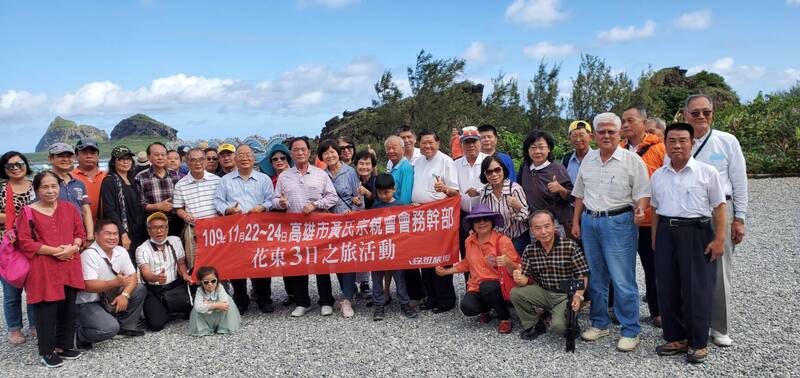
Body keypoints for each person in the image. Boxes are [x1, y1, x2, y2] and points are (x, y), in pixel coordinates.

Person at [570, 112, 651, 352]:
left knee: (622, 278)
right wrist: (576, 222)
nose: (606, 135)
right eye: (602, 131)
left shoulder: (632, 160)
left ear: (619, 133)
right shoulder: (589, 159)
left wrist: (641, 210)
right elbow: (579, 194)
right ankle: (600, 322)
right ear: (594, 135)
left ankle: (630, 329)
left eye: (611, 131)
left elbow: (643, 193)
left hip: (619, 222)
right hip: (589, 222)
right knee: (596, 276)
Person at [650, 122, 727, 364]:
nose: (677, 145)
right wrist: (655, 237)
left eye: (683, 140)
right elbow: (655, 209)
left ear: (692, 143)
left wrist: (719, 239)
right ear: (665, 144)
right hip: (666, 233)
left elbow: (720, 207)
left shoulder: (707, 172)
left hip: (697, 232)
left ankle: (697, 342)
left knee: (696, 288)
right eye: (671, 140)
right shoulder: (658, 175)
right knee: (667, 287)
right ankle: (675, 337)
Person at [682, 94, 748, 347]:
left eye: (706, 112)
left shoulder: (727, 141)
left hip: (720, 210)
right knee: (688, 271)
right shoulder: (679, 139)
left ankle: (719, 327)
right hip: (687, 211)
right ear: (685, 114)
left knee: (720, 272)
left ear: (712, 113)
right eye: (695, 112)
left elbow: (739, 181)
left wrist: (739, 218)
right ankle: (691, 323)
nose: (701, 117)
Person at [15, 171, 86, 368]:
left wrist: (74, 246)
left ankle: (64, 345)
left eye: (54, 186)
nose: (50, 190)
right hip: (43, 267)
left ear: (59, 187)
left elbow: (80, 233)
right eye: (45, 187)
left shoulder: (70, 208)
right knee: (46, 310)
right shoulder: (28, 211)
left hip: (69, 263)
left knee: (68, 307)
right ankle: (46, 351)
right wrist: (54, 251)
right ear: (37, 189)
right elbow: (25, 243)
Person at [272, 136, 338, 317]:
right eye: (296, 150)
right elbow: (275, 200)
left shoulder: (320, 174)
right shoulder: (284, 176)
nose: (300, 152)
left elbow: (332, 197)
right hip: (294, 228)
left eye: (303, 149)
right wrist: (281, 203)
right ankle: (302, 302)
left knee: (320, 263)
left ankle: (326, 300)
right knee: (297, 263)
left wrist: (316, 204)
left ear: (309, 152)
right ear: (291, 154)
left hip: (317, 226)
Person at [435, 204, 520, 334]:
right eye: (477, 220)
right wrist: (446, 271)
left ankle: (505, 318)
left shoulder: (503, 241)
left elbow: (517, 269)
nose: (482, 223)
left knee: (488, 287)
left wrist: (508, 263)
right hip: (476, 286)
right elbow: (467, 263)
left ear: (492, 222)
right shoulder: (469, 241)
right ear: (472, 224)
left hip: (499, 287)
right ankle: (485, 308)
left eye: (486, 219)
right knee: (467, 308)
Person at [214, 144, 275, 314]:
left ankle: (264, 299)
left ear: (254, 158)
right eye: (240, 155)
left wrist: (263, 207)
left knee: (261, 263)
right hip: (235, 231)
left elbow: (272, 200)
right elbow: (218, 202)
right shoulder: (225, 181)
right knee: (237, 265)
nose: (245, 158)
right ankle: (240, 300)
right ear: (235, 159)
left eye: (248, 155)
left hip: (259, 230)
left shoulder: (264, 179)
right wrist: (228, 210)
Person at [510, 210, 589, 340]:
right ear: (532, 230)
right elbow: (523, 281)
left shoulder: (569, 245)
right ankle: (534, 324)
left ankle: (571, 323)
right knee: (516, 293)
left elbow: (583, 274)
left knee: (559, 328)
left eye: (547, 226)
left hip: (566, 294)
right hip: (544, 292)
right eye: (538, 228)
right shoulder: (530, 250)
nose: (543, 232)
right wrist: (518, 276)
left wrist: (578, 295)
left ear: (554, 225)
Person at [620, 105, 666, 328]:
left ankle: (658, 310)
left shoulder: (660, 149)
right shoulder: (616, 149)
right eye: (623, 121)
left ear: (644, 123)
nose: (626, 125)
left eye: (631, 120)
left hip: (649, 221)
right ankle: (623, 311)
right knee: (621, 267)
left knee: (653, 266)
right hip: (621, 219)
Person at [75, 220, 146, 350]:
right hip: (89, 302)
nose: (113, 237)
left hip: (108, 296)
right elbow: (88, 286)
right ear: (96, 235)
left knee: (139, 289)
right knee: (108, 329)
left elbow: (133, 277)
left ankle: (124, 327)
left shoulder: (120, 251)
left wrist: (124, 295)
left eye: (115, 234)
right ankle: (78, 335)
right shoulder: (88, 255)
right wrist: (115, 282)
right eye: (108, 233)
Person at [411, 129, 459, 313]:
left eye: (431, 142)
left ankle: (445, 300)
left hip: (438, 219)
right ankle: (431, 297)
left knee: (441, 259)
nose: (427, 146)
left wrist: (444, 188)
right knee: (424, 260)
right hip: (420, 218)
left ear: (438, 143)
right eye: (424, 143)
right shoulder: (418, 162)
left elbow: (455, 193)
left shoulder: (446, 161)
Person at [319, 139, 363, 317]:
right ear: (321, 156)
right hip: (330, 222)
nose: (330, 155)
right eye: (325, 153)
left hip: (349, 220)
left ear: (339, 153)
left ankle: (346, 299)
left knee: (348, 256)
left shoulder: (350, 172)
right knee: (336, 258)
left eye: (332, 152)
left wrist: (356, 213)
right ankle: (350, 292)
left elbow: (358, 196)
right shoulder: (321, 174)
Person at [369, 174, 419, 320]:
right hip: (380, 248)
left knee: (400, 278)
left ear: (394, 189)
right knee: (376, 278)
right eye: (379, 192)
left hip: (397, 249)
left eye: (386, 192)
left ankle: (404, 304)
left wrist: (415, 209)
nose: (383, 196)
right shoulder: (375, 206)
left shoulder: (401, 205)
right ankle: (379, 305)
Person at [0, 151, 36, 345]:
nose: (15, 168)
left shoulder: (35, 187)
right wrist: (21, 218)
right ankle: (14, 328)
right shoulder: (1, 189)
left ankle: (35, 324)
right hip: (7, 248)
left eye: (18, 163)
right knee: (11, 290)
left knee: (34, 288)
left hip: (32, 245)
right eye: (9, 166)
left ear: (26, 164)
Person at [383, 135, 424, 303]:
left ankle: (417, 295)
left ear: (402, 149)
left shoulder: (405, 167)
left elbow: (405, 197)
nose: (391, 151)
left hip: (401, 219)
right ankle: (410, 293)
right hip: (393, 218)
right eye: (388, 148)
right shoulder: (393, 167)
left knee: (408, 259)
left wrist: (399, 217)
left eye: (395, 148)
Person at [136, 212, 193, 331]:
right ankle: (164, 308)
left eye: (162, 227)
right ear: (149, 230)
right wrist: (156, 277)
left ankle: (172, 307)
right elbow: (146, 274)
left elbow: (181, 263)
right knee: (156, 325)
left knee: (193, 311)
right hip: (155, 289)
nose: (159, 231)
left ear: (167, 228)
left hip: (174, 286)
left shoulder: (175, 241)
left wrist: (185, 274)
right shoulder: (142, 249)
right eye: (155, 228)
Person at [518, 130, 573, 235]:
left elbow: (572, 197)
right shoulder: (524, 168)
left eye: (541, 147)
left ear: (549, 149)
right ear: (528, 150)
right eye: (533, 148)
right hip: (534, 223)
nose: (537, 151)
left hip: (556, 223)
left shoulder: (557, 168)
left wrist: (560, 189)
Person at [174, 148, 221, 270]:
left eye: (201, 159)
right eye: (193, 160)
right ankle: (196, 288)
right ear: (187, 162)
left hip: (215, 229)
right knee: (195, 264)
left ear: (205, 161)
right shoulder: (180, 184)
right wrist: (185, 215)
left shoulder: (217, 181)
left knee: (218, 262)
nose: (197, 163)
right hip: (193, 229)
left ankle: (221, 288)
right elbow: (178, 208)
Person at [100, 146, 147, 263]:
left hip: (138, 230)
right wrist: (122, 233)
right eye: (121, 159)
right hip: (124, 232)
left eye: (128, 159)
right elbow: (109, 211)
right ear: (113, 162)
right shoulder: (109, 181)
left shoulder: (133, 180)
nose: (125, 162)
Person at [261, 143, 295, 307]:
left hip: (295, 222)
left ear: (288, 160)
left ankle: (300, 293)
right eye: (275, 159)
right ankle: (291, 292)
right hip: (275, 225)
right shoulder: (268, 181)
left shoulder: (296, 176)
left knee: (298, 255)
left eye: (282, 158)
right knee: (284, 257)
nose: (279, 161)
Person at [453, 126, 487, 284]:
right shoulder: (455, 164)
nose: (471, 145)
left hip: (486, 215)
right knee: (467, 251)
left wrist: (480, 191)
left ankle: (490, 290)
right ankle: (470, 287)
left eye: (474, 141)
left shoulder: (488, 160)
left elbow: (498, 182)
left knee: (486, 251)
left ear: (480, 143)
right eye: (467, 142)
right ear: (461, 145)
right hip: (464, 214)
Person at [479, 155, 530, 254]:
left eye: (497, 170)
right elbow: (484, 217)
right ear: (484, 174)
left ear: (503, 170)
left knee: (515, 267)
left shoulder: (514, 189)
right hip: (496, 240)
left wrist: (518, 207)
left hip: (517, 238)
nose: (494, 174)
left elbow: (526, 217)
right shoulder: (485, 192)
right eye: (489, 172)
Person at [47, 143, 94, 240]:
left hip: (79, 237)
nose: (65, 159)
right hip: (54, 237)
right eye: (60, 156)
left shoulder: (79, 183)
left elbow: (86, 210)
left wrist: (90, 235)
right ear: (51, 158)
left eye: (69, 156)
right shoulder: (44, 182)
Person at [134, 142, 181, 237]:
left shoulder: (174, 175)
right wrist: (158, 206)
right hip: (153, 224)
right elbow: (139, 205)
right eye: (156, 155)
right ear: (148, 157)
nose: (160, 157)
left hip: (175, 222)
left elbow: (180, 198)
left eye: (163, 155)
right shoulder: (141, 177)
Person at [189, 266, 241, 337]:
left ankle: (223, 326)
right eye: (206, 282)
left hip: (219, 314)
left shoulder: (219, 287)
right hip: (207, 316)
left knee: (228, 303)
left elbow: (225, 304)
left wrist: (209, 305)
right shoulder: (200, 291)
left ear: (217, 279)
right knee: (197, 311)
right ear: (201, 282)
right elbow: (198, 307)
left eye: (213, 281)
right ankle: (205, 328)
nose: (210, 284)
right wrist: (216, 305)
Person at [72, 138, 107, 221]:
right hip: (79, 229)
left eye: (93, 153)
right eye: (84, 153)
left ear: (98, 156)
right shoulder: (69, 177)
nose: (89, 156)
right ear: (76, 156)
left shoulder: (107, 176)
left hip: (104, 228)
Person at [561, 120, 594, 185]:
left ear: (590, 137)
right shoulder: (566, 159)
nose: (578, 139)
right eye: (574, 136)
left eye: (581, 135)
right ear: (569, 139)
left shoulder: (599, 158)